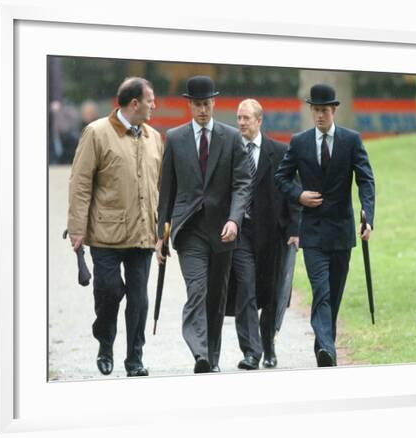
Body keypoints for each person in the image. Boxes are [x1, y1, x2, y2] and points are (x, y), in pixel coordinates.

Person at [67, 77, 163, 377]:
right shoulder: (96, 133)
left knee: (140, 300)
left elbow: (160, 186)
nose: (154, 105)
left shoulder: (154, 138)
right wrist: (76, 228)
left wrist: (162, 231)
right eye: (150, 100)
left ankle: (134, 359)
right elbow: (80, 182)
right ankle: (105, 344)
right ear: (134, 103)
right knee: (109, 293)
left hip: (143, 235)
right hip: (105, 235)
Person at [156, 76, 252, 373]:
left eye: (206, 104)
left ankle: (211, 355)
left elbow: (242, 184)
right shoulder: (174, 138)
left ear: (214, 103)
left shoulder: (231, 137)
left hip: (222, 230)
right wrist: (161, 234)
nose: (202, 110)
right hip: (189, 231)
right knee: (197, 290)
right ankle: (199, 352)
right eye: (197, 104)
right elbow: (167, 190)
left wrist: (235, 220)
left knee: (216, 297)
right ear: (190, 105)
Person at [274, 84, 375, 367]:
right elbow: (281, 177)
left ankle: (323, 345)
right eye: (315, 110)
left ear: (333, 110)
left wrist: (369, 214)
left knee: (334, 291)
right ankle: (328, 350)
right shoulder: (299, 142)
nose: (319, 115)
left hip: (342, 232)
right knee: (321, 290)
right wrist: (299, 195)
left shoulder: (351, 141)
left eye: (324, 110)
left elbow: (366, 179)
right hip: (313, 232)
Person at [226, 99, 301, 370]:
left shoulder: (279, 152)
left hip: (272, 233)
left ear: (259, 121)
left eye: (246, 118)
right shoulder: (231, 149)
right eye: (239, 118)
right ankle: (251, 351)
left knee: (270, 293)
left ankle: (268, 344)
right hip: (241, 231)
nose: (242, 123)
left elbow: (293, 192)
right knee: (245, 289)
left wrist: (294, 229)